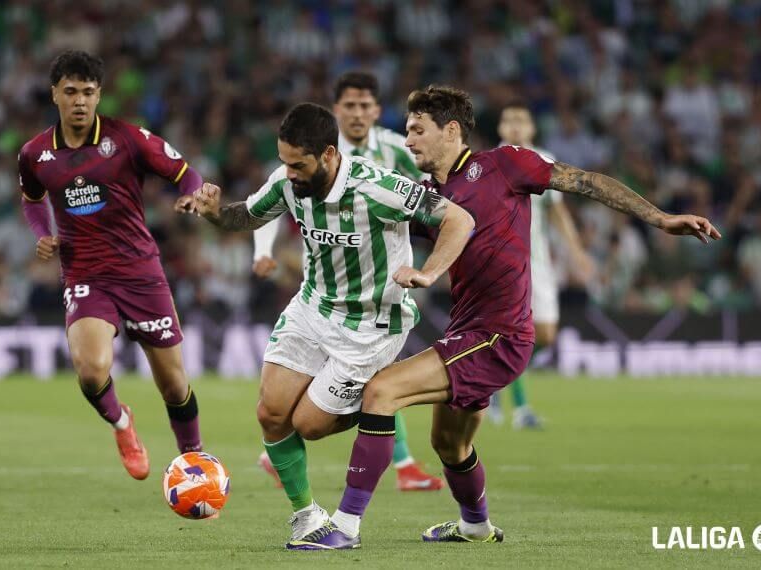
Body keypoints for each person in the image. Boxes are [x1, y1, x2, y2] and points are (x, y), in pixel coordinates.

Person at [289, 85, 720, 550]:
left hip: (499, 335)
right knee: (450, 445)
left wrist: (659, 219)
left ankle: (346, 526)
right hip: (468, 332)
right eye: (407, 131)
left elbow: (586, 181)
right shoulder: (427, 197)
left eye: (417, 130)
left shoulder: (505, 163)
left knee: (382, 391)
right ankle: (476, 526)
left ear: (450, 131)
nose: (408, 141)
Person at [190, 102, 474, 547]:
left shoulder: (377, 187)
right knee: (271, 413)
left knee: (309, 424)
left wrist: (430, 272)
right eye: (284, 162)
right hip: (313, 308)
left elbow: (459, 218)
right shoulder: (287, 182)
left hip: (371, 326)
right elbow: (245, 215)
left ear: (327, 155)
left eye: (298, 165)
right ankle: (306, 516)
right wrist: (214, 213)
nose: (289, 174)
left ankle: (384, 395)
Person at [19, 50, 205, 480]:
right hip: (85, 274)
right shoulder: (34, 154)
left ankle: (194, 463)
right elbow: (32, 200)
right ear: (54, 94)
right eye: (71, 92)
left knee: (174, 384)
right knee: (91, 371)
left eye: (88, 92)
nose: (80, 101)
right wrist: (42, 234)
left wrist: (191, 195)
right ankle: (122, 424)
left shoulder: (127, 139)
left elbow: (185, 173)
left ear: (99, 94)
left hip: (141, 272)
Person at [253, 71, 442, 491]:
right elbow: (268, 203)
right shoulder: (306, 155)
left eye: (365, 105)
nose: (357, 113)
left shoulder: (397, 150)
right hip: (323, 289)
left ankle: (402, 460)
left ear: (377, 110)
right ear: (337, 111)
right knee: (306, 404)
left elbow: (438, 192)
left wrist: (440, 247)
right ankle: (400, 457)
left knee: (357, 387)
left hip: (381, 285)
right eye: (350, 106)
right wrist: (262, 251)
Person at [487, 101, 594, 429]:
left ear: (532, 128)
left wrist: (576, 251)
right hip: (503, 260)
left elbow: (557, 212)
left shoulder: (544, 160)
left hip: (538, 260)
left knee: (546, 334)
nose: (515, 126)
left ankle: (495, 382)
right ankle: (521, 410)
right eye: (509, 120)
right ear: (501, 128)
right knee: (515, 331)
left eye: (521, 120)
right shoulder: (488, 163)